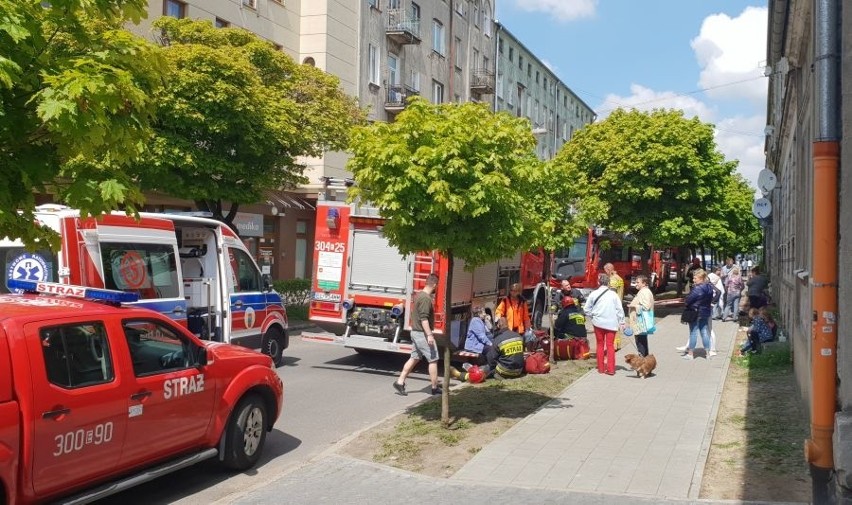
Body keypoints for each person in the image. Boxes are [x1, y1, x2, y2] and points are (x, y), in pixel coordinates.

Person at [393, 273, 441, 396]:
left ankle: (400, 382)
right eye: (437, 286)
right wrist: (429, 335)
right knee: (433, 359)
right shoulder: (425, 298)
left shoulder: (419, 295)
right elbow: (424, 319)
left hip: (415, 332)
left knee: (414, 357)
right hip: (422, 334)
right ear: (435, 285)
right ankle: (435, 388)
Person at [451, 317, 525, 381]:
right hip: (519, 371)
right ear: (508, 324)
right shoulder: (518, 336)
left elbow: (491, 361)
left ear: (499, 325)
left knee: (481, 372)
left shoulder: (498, 340)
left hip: (506, 372)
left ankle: (460, 375)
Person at [584, 273, 626, 375]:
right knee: (610, 345)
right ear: (608, 283)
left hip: (598, 323)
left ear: (598, 282)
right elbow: (619, 310)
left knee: (600, 345)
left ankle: (601, 368)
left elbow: (586, 309)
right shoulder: (614, 295)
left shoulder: (594, 294)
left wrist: (592, 316)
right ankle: (611, 369)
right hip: (612, 323)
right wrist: (622, 322)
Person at [682, 269, 714, 360]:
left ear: (701, 278)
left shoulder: (697, 288)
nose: (693, 280)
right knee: (704, 332)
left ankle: (690, 354)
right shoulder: (709, 287)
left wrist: (687, 301)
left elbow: (688, 300)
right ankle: (708, 354)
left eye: (695, 278)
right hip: (705, 312)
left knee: (693, 333)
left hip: (695, 312)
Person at [628, 274, 654, 357]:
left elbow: (646, 307)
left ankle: (643, 362)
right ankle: (645, 361)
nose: (636, 284)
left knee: (641, 343)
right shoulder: (643, 291)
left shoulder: (645, 292)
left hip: (641, 322)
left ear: (644, 283)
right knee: (641, 342)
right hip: (641, 322)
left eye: (638, 282)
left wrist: (633, 306)